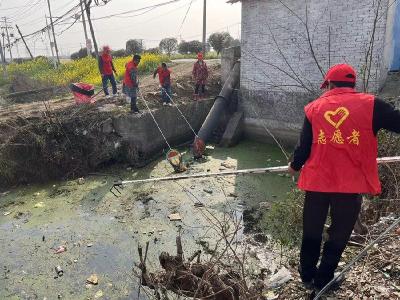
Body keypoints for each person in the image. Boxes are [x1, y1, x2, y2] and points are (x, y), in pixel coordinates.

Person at [288, 63, 400, 295]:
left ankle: (307, 274)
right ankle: (323, 279)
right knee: (339, 233)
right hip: (350, 186)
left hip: (317, 183)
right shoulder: (372, 105)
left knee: (312, 230)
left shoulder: (314, 108)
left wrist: (294, 165)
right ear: (353, 84)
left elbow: (304, 147)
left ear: (329, 84)